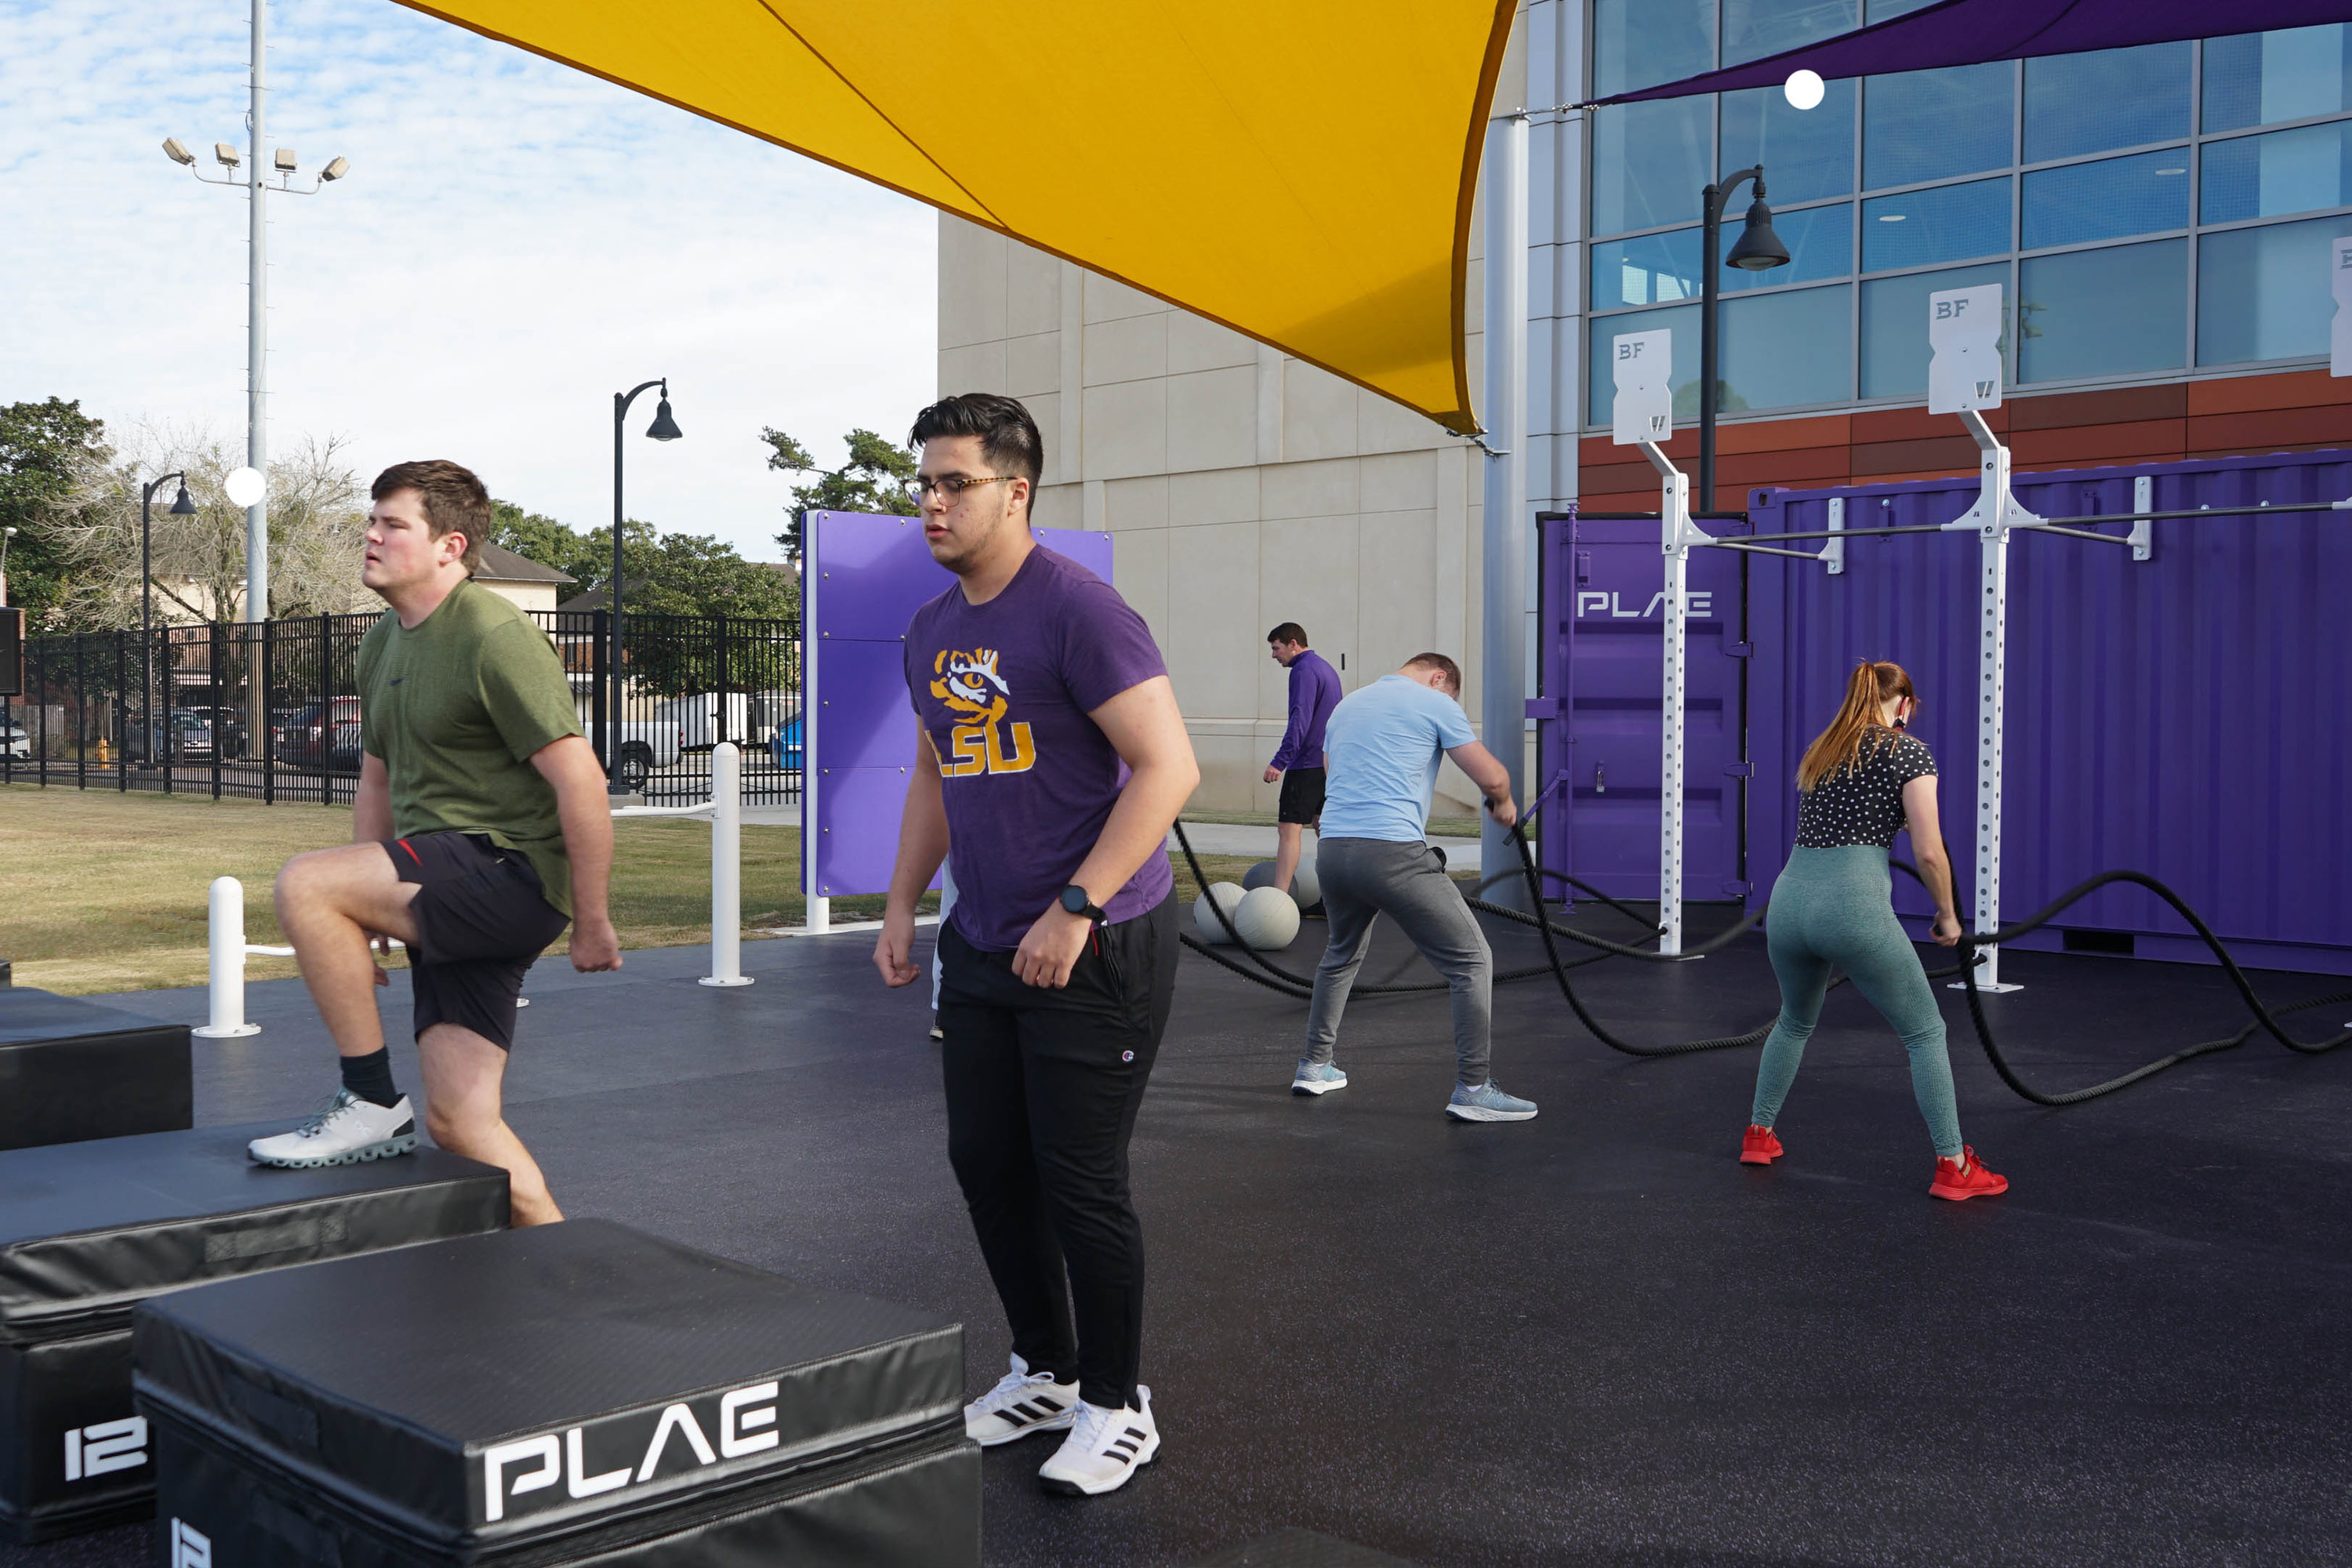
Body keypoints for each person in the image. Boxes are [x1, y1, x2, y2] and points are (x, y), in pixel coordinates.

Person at [873, 393, 1199, 1497]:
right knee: (987, 1166)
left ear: (1016, 491)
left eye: (953, 483)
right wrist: (900, 904)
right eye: (923, 483)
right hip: (983, 941)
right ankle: (1047, 1371)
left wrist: (1078, 906)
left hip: (1097, 942)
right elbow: (932, 774)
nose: (930, 502)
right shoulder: (931, 629)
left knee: (1080, 1183)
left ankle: (1119, 1401)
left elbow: (1168, 769)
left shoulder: (1079, 611)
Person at [247, 460, 620, 1225]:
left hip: (506, 869)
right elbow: (377, 783)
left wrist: (593, 915)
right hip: (442, 876)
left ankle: (370, 1097)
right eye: (371, 520)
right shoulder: (382, 643)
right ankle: (563, 1262)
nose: (371, 534)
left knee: (304, 882)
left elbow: (580, 778)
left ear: (451, 545)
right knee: (462, 1121)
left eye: (392, 524)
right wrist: (370, 903)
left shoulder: (493, 633)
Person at [1739, 660, 2008, 1202]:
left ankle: (1759, 1134)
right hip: (1851, 906)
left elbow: (1858, 814)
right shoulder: (1907, 750)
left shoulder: (1825, 749)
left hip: (1790, 904)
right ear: (1903, 704)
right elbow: (1929, 852)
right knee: (1925, 1033)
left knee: (1793, 1022)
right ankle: (1954, 1165)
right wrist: (1948, 915)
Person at [1291, 654, 1535, 1123]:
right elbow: (1493, 776)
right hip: (1393, 852)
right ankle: (1474, 1090)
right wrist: (1503, 804)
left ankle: (1315, 1066)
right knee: (1472, 960)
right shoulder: (1434, 702)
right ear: (1439, 677)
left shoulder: (1348, 706)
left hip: (1334, 850)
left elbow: (1333, 773)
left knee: (1340, 953)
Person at [1261, 623, 1341, 898]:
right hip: (1327, 763)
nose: (1274, 655)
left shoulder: (1303, 670)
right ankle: (1338, 896)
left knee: (1288, 828)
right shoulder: (1324, 667)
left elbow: (1300, 719)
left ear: (1293, 644)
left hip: (1306, 764)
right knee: (1323, 827)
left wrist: (1280, 761)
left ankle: (1277, 899)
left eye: (1276, 648)